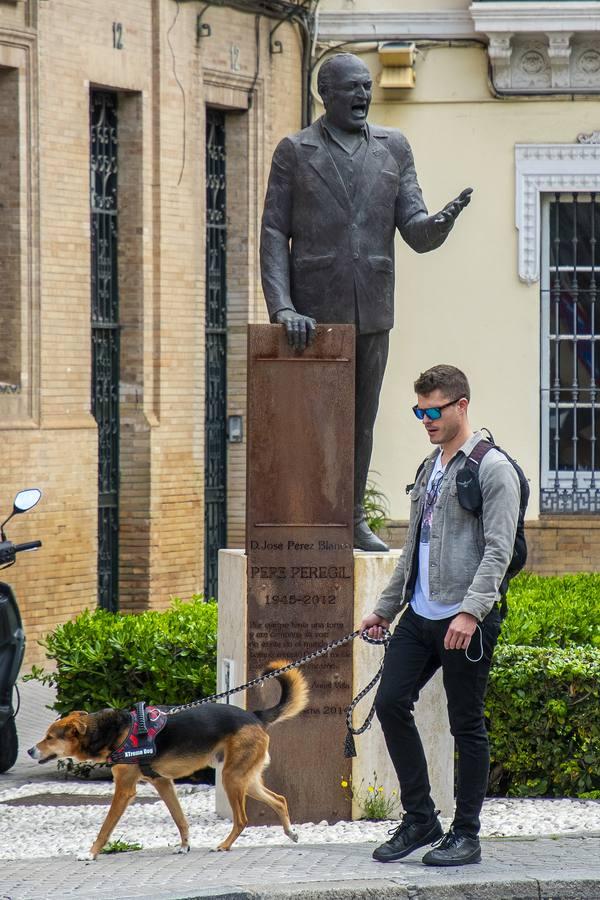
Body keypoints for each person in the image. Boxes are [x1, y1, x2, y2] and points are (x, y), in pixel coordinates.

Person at [260, 53, 472, 551]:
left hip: (372, 308)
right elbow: (273, 231)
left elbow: (415, 231)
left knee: (361, 420)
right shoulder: (295, 150)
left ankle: (350, 518)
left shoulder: (394, 148)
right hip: (311, 314)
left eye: (366, 87)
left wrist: (440, 224)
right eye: (351, 88)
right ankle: (303, 517)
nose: (362, 96)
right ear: (325, 94)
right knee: (309, 421)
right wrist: (282, 307)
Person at [360, 364, 520, 866]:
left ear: (462, 406)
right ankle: (421, 819)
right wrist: (385, 609)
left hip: (465, 620)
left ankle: (466, 834)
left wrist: (472, 612)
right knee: (389, 703)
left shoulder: (493, 469)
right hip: (422, 616)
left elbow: (497, 551)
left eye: (434, 410)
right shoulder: (430, 468)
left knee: (465, 724)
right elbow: (412, 549)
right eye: (419, 411)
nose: (426, 419)